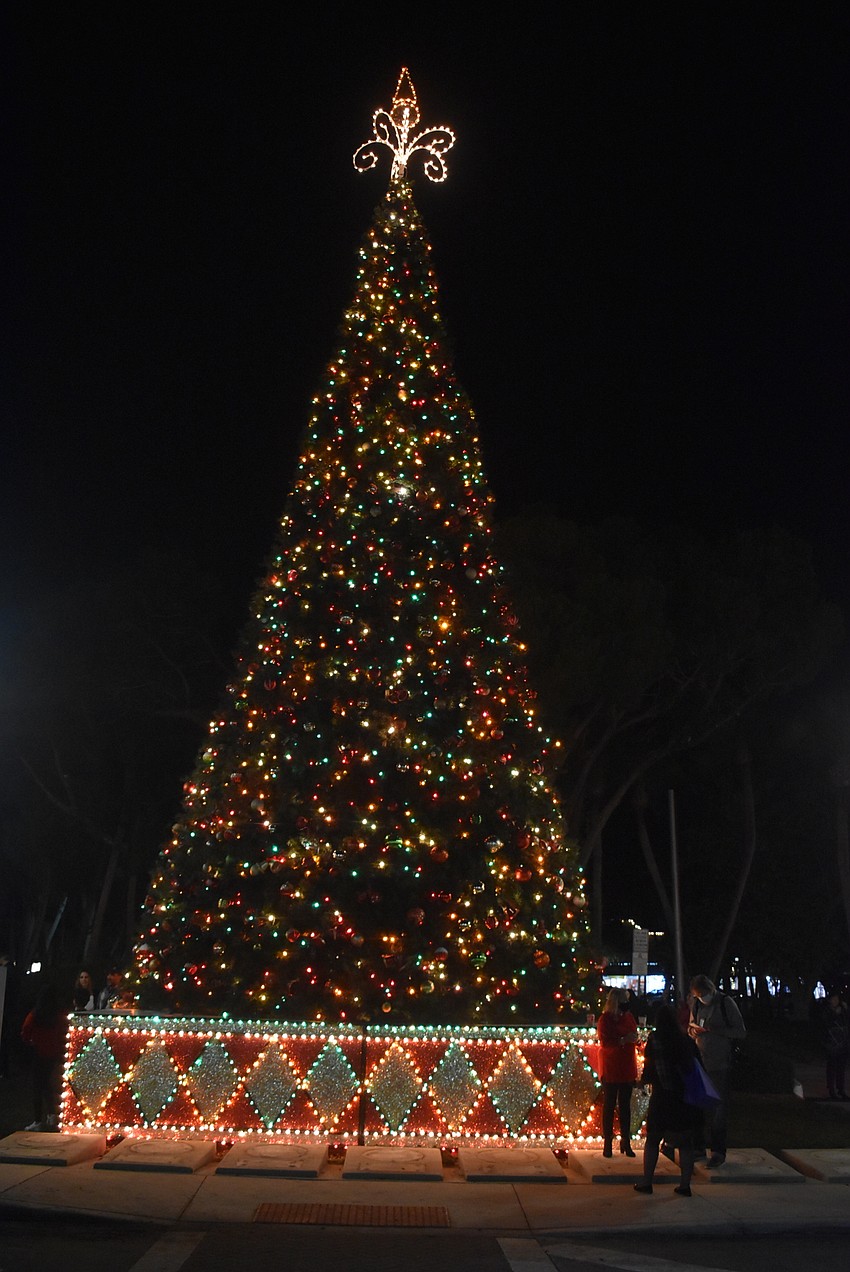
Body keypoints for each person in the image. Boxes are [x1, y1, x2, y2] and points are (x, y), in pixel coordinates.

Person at [633, 1001, 703, 1196]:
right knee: (685, 1143)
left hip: (662, 1097)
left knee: (653, 1139)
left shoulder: (655, 1040)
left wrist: (642, 1082)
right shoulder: (686, 1041)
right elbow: (696, 1067)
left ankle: (647, 1182)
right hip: (683, 1099)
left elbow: (649, 1069)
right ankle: (685, 1185)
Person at [687, 974, 746, 1167]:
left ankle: (718, 1151)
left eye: (703, 994)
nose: (701, 998)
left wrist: (717, 1030)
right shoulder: (696, 1005)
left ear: (710, 990)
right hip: (701, 1062)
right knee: (698, 1107)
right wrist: (693, 1031)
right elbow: (690, 1025)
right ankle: (699, 1146)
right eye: (698, 995)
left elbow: (740, 1031)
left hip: (720, 1064)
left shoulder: (725, 1003)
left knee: (719, 1110)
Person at [597, 986, 639, 1157]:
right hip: (611, 1066)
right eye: (623, 1002)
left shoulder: (628, 1017)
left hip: (627, 1065)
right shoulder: (605, 1020)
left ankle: (626, 1141)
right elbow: (605, 1043)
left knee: (625, 1107)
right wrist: (623, 1040)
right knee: (609, 1105)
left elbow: (634, 1032)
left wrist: (634, 1039)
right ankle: (608, 1142)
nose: (626, 1005)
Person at [20, 980, 68, 1131]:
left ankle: (37, 1120)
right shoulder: (58, 1015)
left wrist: (30, 1041)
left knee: (37, 1086)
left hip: (37, 1052)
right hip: (52, 1053)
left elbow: (25, 1030)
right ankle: (52, 1115)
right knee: (47, 1083)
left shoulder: (36, 1014)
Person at [821, 990, 849, 1100]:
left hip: (843, 1043)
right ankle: (831, 1089)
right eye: (833, 999)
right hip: (831, 1044)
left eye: (837, 999)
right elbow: (824, 1025)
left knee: (841, 1068)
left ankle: (841, 1089)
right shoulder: (827, 1011)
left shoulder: (843, 1011)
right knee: (832, 1068)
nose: (835, 1001)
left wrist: (845, 1010)